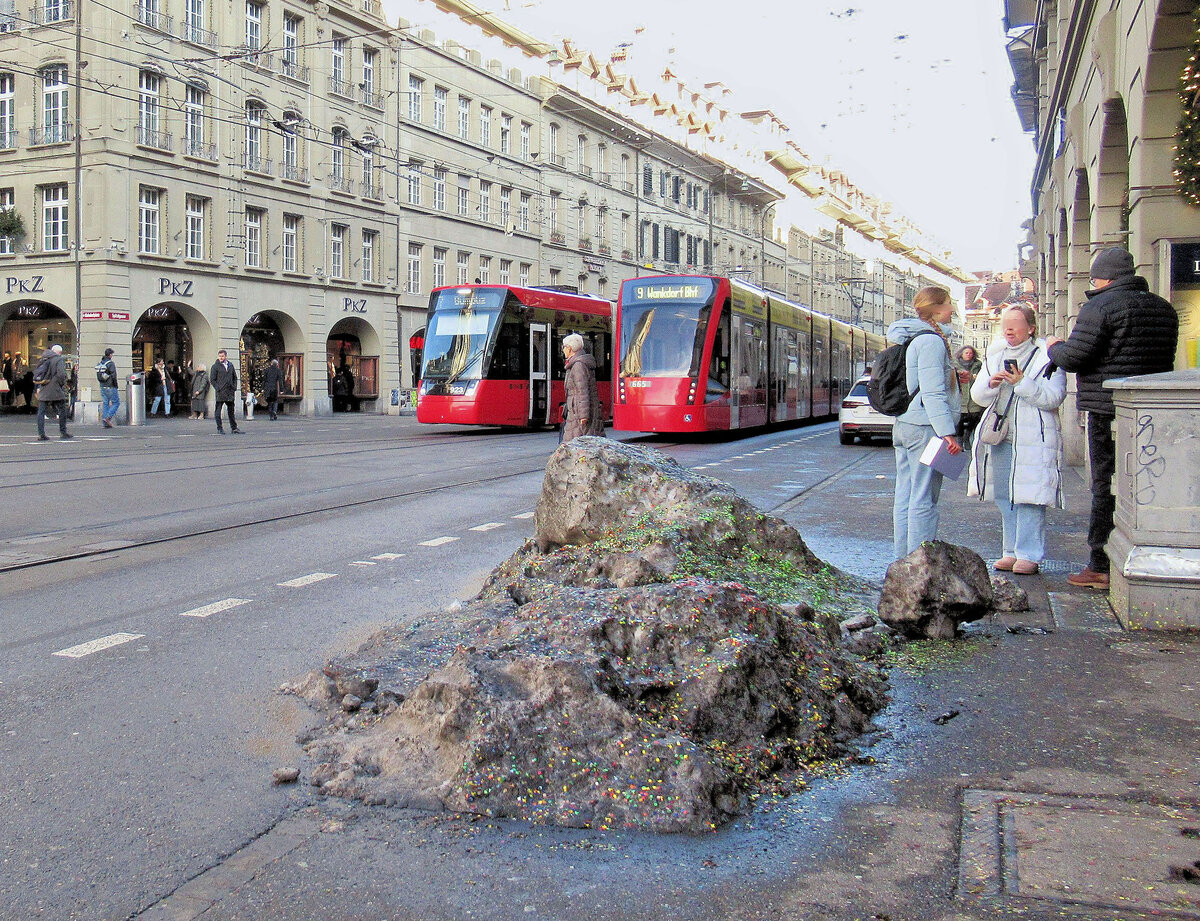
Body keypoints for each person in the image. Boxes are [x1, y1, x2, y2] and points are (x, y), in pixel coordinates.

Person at [1045, 246, 1178, 588]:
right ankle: (1146, 551)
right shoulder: (1163, 308)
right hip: (1153, 411)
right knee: (1147, 482)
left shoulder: (1099, 306)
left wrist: (1053, 347)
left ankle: (1099, 564)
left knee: (1106, 484)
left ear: (1102, 277)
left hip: (1107, 408)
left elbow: (1075, 357)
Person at [967, 306, 1067, 575]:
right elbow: (978, 396)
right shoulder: (995, 353)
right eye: (1005, 324)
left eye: (1015, 323)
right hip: (1000, 434)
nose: (1008, 329)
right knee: (1004, 495)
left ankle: (1029, 553)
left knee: (1029, 495)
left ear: (1031, 328)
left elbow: (1053, 398)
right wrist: (993, 383)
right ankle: (1009, 550)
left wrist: (1022, 383)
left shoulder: (1048, 355)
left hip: (1034, 435)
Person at [888, 286, 962, 560]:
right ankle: (921, 562)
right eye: (949, 303)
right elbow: (932, 392)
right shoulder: (931, 341)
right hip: (926, 429)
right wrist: (947, 433)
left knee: (906, 494)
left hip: (907, 424)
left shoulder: (911, 337)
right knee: (924, 498)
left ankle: (903, 561)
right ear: (936, 308)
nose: (953, 309)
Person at [561, 333, 605, 443]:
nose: (563, 350)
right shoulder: (577, 363)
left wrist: (583, 416)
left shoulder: (578, 365)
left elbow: (582, 391)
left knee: (577, 444)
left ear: (569, 348)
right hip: (576, 411)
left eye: (564, 347)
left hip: (578, 414)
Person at [34, 344, 71, 441]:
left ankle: (41, 434)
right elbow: (61, 374)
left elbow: (38, 372)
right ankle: (63, 432)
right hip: (55, 388)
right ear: (59, 352)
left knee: (41, 412)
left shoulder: (43, 358)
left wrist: (38, 387)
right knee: (62, 409)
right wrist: (61, 384)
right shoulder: (58, 359)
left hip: (43, 387)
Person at [954, 345, 984, 442]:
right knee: (959, 425)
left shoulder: (978, 366)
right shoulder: (955, 366)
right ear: (961, 354)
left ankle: (967, 441)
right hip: (960, 399)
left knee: (973, 423)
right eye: (966, 353)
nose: (969, 355)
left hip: (973, 401)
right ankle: (960, 443)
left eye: (971, 353)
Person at [210, 349, 242, 434]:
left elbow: (235, 377)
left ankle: (234, 428)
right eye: (220, 356)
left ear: (225, 356)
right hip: (220, 392)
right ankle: (219, 428)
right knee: (218, 411)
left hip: (229, 392)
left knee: (231, 411)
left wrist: (234, 387)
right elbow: (212, 379)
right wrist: (218, 388)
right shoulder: (215, 366)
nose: (221, 358)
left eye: (222, 356)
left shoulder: (230, 365)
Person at [97, 348, 120, 428]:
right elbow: (113, 376)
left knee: (105, 403)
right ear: (110, 355)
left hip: (102, 386)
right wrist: (115, 385)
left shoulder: (101, 363)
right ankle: (108, 418)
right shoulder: (111, 364)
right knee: (116, 402)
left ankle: (105, 422)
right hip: (111, 386)